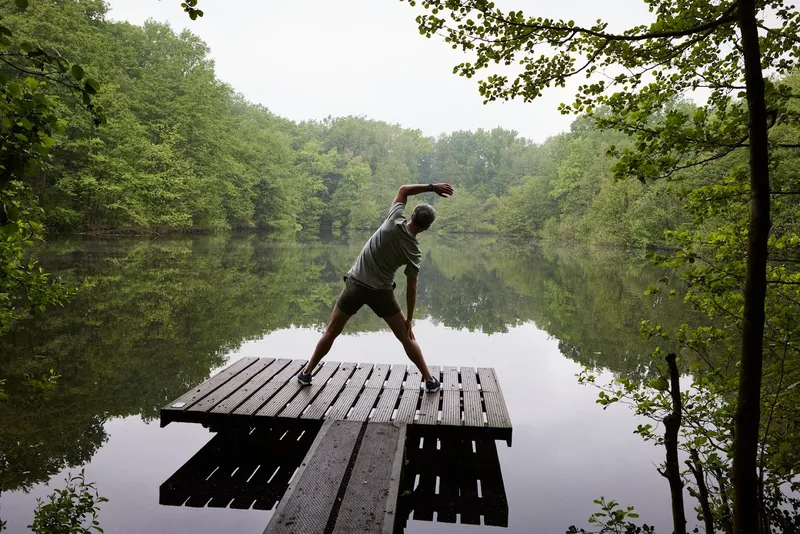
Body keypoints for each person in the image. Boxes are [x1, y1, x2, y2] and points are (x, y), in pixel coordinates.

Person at [297, 183, 455, 393]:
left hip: (356, 284)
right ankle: (429, 380)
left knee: (332, 331)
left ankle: (307, 373)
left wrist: (431, 187)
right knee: (407, 337)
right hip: (382, 293)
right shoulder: (414, 252)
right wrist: (409, 318)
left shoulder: (393, 220)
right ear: (426, 228)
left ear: (412, 214)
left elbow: (403, 189)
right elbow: (412, 286)